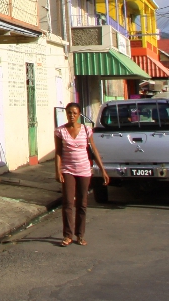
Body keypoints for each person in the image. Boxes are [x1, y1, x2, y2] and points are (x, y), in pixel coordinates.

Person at [54, 102, 107, 247]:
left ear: (79, 115)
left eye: (74, 113)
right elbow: (58, 152)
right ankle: (67, 235)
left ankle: (80, 235)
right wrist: (57, 170)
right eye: (69, 113)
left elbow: (94, 150)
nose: (72, 115)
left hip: (84, 170)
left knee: (82, 203)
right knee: (68, 203)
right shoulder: (60, 131)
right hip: (68, 169)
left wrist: (102, 170)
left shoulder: (86, 129)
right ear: (66, 114)